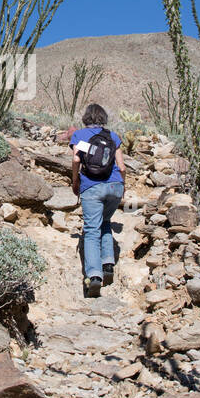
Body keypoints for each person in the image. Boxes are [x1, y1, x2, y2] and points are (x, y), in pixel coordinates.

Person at [70, 103, 126, 298]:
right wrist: (122, 187)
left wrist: (75, 181)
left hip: (91, 187)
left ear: (86, 118)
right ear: (103, 117)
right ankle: (108, 264)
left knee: (91, 230)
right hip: (115, 187)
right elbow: (122, 167)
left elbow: (77, 160)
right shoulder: (113, 136)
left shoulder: (79, 135)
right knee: (106, 222)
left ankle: (94, 276)